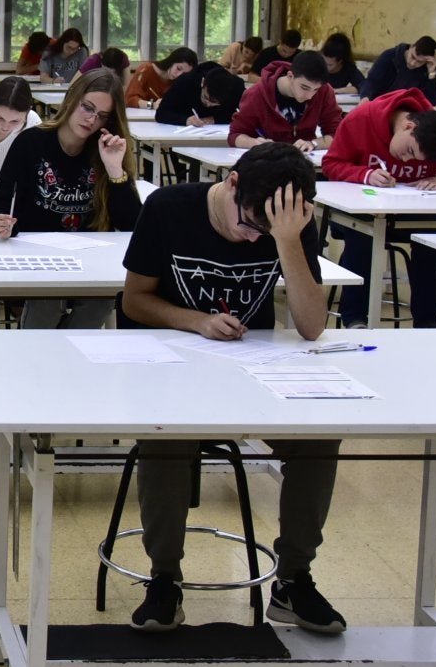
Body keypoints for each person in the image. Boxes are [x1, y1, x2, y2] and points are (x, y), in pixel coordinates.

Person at [119, 143, 338, 634]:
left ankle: (294, 577)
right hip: (174, 366)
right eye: (249, 224)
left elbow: (311, 325)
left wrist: (287, 240)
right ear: (232, 183)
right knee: (164, 436)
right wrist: (194, 320)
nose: (251, 238)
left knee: (320, 436)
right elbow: (135, 301)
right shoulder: (170, 208)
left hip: (252, 372)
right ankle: (164, 579)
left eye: (266, 230)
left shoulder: (289, 223)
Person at [321, 88, 436, 329]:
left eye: (418, 159)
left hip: (408, 209)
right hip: (358, 210)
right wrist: (365, 174)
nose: (408, 160)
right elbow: (331, 163)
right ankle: (354, 318)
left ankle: (427, 320)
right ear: (408, 126)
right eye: (410, 151)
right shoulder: (362, 119)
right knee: (363, 235)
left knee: (431, 232)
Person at [0, 69, 140, 330]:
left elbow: (132, 224)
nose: (91, 119)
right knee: (46, 303)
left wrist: (115, 169)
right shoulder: (31, 142)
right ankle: (38, 364)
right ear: (72, 100)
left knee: (99, 302)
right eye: (87, 107)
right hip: (38, 256)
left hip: (91, 257)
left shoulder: (108, 148)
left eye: (101, 116)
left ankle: (69, 365)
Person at [230, 50, 343, 151]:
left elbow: (337, 134)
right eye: (304, 87)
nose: (309, 96)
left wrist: (313, 143)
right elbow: (235, 135)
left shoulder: (325, 91)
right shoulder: (257, 94)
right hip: (267, 162)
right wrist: (255, 143)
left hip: (305, 162)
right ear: (290, 76)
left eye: (316, 89)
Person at [156, 61, 246, 127]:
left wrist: (215, 119)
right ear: (203, 82)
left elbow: (244, 115)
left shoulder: (236, 87)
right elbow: (161, 113)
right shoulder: (186, 81)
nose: (208, 104)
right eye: (206, 97)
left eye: (214, 103)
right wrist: (185, 120)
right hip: (185, 135)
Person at [362, 36, 436, 105]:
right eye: (413, 57)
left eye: (420, 62)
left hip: (406, 109)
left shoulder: (428, 69)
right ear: (411, 47)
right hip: (381, 104)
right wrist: (365, 97)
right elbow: (372, 81)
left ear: (427, 61)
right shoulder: (390, 56)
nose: (413, 63)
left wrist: (432, 74)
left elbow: (434, 100)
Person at [125, 48, 198, 109]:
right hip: (141, 118)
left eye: (184, 74)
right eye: (178, 68)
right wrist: (152, 105)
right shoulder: (146, 69)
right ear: (172, 61)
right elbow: (129, 100)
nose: (178, 75)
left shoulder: (182, 80)